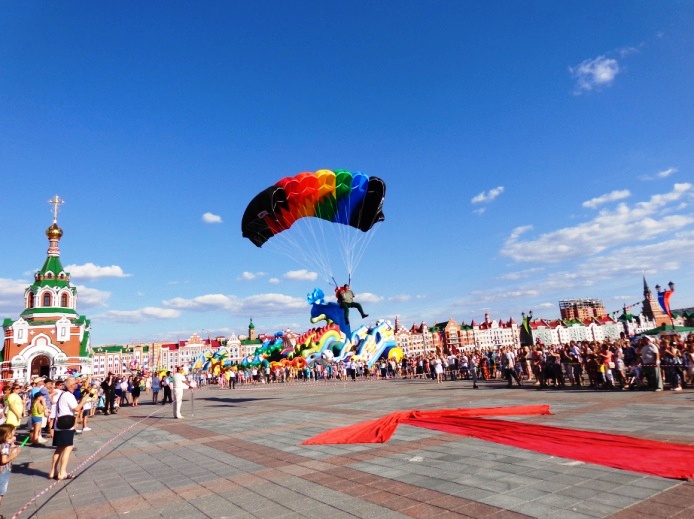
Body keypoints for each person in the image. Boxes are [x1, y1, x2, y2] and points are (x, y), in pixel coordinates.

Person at [49, 377, 87, 481]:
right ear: (71, 385)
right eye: (76, 383)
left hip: (59, 424)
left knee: (59, 448)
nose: (77, 385)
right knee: (68, 447)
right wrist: (83, 401)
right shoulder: (69, 395)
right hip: (66, 425)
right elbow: (76, 408)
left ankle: (53, 471)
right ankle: (62, 472)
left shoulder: (62, 394)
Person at [0, 423, 21, 513]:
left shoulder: (4, 444)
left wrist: (12, 444)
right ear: (7, 434)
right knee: (1, 493)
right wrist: (14, 455)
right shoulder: (4, 445)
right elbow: (4, 460)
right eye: (13, 432)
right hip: (3, 471)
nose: (14, 434)